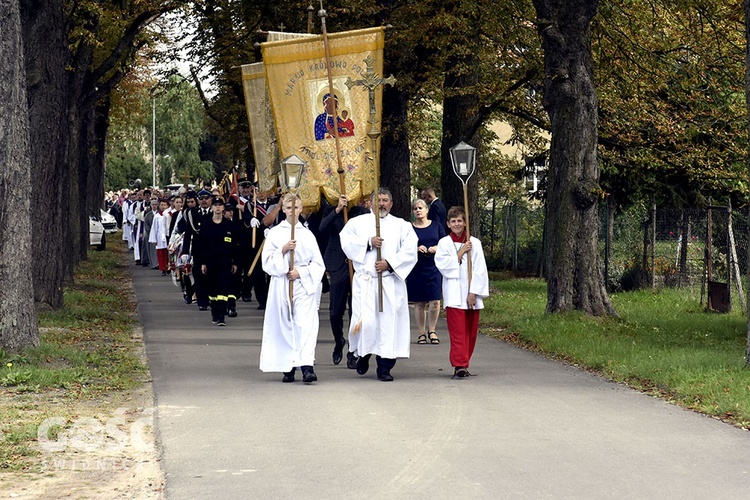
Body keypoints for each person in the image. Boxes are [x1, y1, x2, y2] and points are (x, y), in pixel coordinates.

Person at [340, 187, 418, 382]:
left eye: (385, 200)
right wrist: (368, 242)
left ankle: (385, 366)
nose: (381, 204)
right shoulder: (357, 223)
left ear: (391, 204)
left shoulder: (402, 226)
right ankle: (363, 354)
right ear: (371, 203)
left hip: (390, 283)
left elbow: (410, 251)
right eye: (378, 200)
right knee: (367, 323)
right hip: (366, 282)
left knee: (388, 325)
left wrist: (389, 265)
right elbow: (346, 243)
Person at [259, 193, 325, 383]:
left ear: (301, 209)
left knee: (304, 325)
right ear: (284, 210)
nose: (292, 212)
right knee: (285, 325)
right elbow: (267, 262)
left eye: (296, 208)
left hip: (303, 285)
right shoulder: (276, 233)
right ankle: (287, 366)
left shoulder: (307, 235)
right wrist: (283, 250)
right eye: (289, 208)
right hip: (282, 285)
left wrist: (301, 272)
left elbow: (318, 264)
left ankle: (306, 366)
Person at [434, 206, 490, 378]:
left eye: (459, 221)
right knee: (458, 332)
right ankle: (459, 364)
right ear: (448, 224)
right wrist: (460, 252)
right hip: (454, 294)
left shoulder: (475, 243)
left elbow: (480, 269)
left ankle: (465, 361)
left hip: (471, 293)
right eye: (453, 221)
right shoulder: (444, 243)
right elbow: (442, 265)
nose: (457, 224)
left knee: (470, 332)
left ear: (465, 222)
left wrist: (474, 292)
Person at [318, 194, 369, 366]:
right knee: (335, 312)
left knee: (355, 310)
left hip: (357, 263)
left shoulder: (361, 212)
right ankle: (339, 341)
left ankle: (353, 351)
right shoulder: (330, 210)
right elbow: (322, 229)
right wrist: (338, 209)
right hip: (337, 263)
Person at [192, 196, 240, 326]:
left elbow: (235, 245)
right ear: (212, 207)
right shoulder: (206, 225)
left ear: (223, 208)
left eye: (220, 205)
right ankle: (214, 312)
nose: (218, 207)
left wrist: (235, 262)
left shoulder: (229, 225)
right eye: (215, 205)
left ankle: (221, 316)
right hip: (210, 262)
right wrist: (202, 262)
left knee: (223, 288)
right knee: (212, 290)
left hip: (225, 262)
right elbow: (200, 245)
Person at [406, 198, 446, 345]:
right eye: (415, 208)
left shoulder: (436, 226)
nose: (418, 210)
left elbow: (445, 243)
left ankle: (432, 330)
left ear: (427, 210)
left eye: (420, 208)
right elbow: (404, 246)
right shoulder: (410, 228)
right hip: (416, 268)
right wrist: (415, 249)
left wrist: (437, 248)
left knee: (435, 301)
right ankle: (421, 333)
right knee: (419, 303)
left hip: (434, 267)